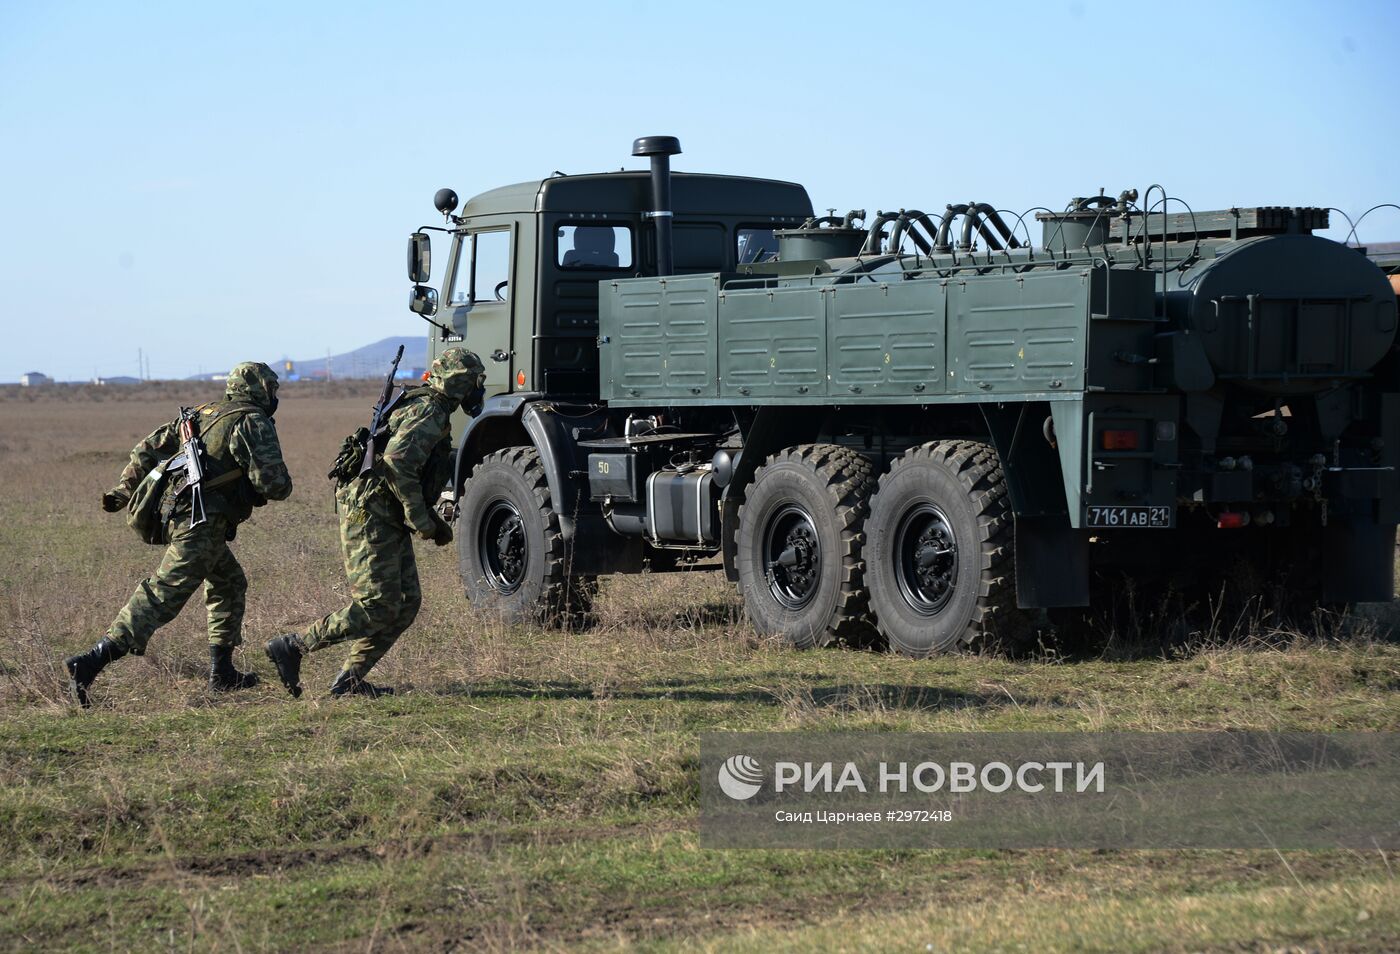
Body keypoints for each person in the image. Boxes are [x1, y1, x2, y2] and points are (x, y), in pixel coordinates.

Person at [65, 362, 293, 707]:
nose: (275, 397)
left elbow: (146, 449)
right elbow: (274, 485)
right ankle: (91, 661)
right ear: (261, 389)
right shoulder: (251, 421)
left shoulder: (201, 414)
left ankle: (223, 672)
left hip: (185, 516)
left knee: (229, 583)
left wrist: (123, 490)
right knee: (165, 592)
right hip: (202, 523)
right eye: (273, 390)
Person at [265, 347, 485, 698]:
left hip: (386, 509)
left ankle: (349, 681)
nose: (479, 389)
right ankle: (292, 646)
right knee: (377, 605)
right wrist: (423, 521)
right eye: (476, 381)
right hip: (371, 511)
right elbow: (398, 465)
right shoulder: (428, 409)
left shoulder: (431, 407)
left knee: (406, 602)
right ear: (461, 381)